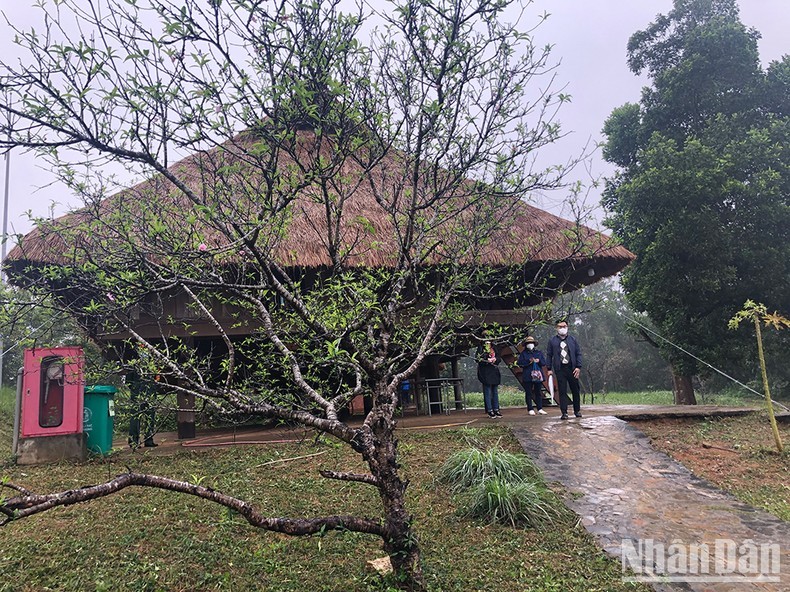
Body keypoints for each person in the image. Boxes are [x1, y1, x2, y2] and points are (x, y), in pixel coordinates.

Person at [545, 319, 583, 420]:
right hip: (560, 369)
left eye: (564, 326)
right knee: (562, 391)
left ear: (567, 327)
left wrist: (578, 367)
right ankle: (564, 412)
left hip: (572, 368)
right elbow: (549, 355)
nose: (562, 329)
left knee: (575, 390)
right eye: (560, 327)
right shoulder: (552, 341)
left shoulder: (572, 340)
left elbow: (578, 353)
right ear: (556, 328)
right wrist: (549, 369)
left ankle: (577, 410)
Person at [517, 336, 548, 416]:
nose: (530, 344)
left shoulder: (538, 353)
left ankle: (540, 408)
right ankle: (530, 408)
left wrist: (538, 361)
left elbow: (543, 363)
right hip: (527, 375)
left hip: (537, 375)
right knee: (529, 392)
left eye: (531, 343)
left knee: (538, 392)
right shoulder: (523, 354)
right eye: (528, 343)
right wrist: (529, 361)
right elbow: (520, 363)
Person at [476, 338, 502, 419]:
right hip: (485, 372)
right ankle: (490, 410)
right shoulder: (481, 348)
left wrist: (495, 359)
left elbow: (499, 358)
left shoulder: (494, 347)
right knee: (487, 391)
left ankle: (496, 409)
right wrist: (487, 360)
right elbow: (478, 359)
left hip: (494, 372)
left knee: (495, 391)